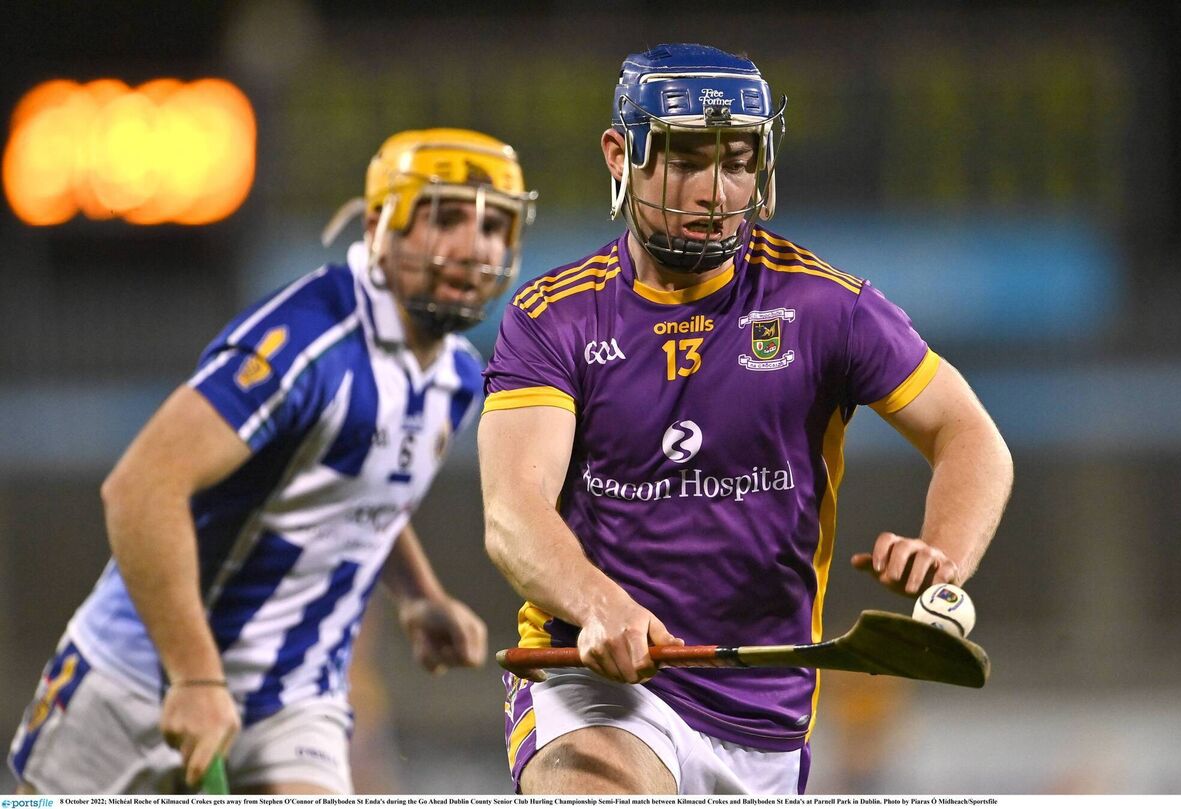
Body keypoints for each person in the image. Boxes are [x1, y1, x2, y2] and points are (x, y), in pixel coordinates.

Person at [478, 44, 1013, 795]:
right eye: (686, 159)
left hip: (764, 719)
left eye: (736, 161)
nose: (715, 191)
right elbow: (512, 512)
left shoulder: (828, 308)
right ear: (618, 153)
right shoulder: (553, 316)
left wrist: (943, 557)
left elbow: (971, 436)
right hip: (596, 683)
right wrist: (599, 603)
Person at [9, 128, 537, 794]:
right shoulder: (306, 343)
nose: (475, 246)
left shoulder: (457, 374)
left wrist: (418, 597)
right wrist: (197, 677)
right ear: (380, 226)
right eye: (448, 218)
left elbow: (361, 491)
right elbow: (140, 488)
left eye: (496, 225)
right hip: (140, 677)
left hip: (296, 695)